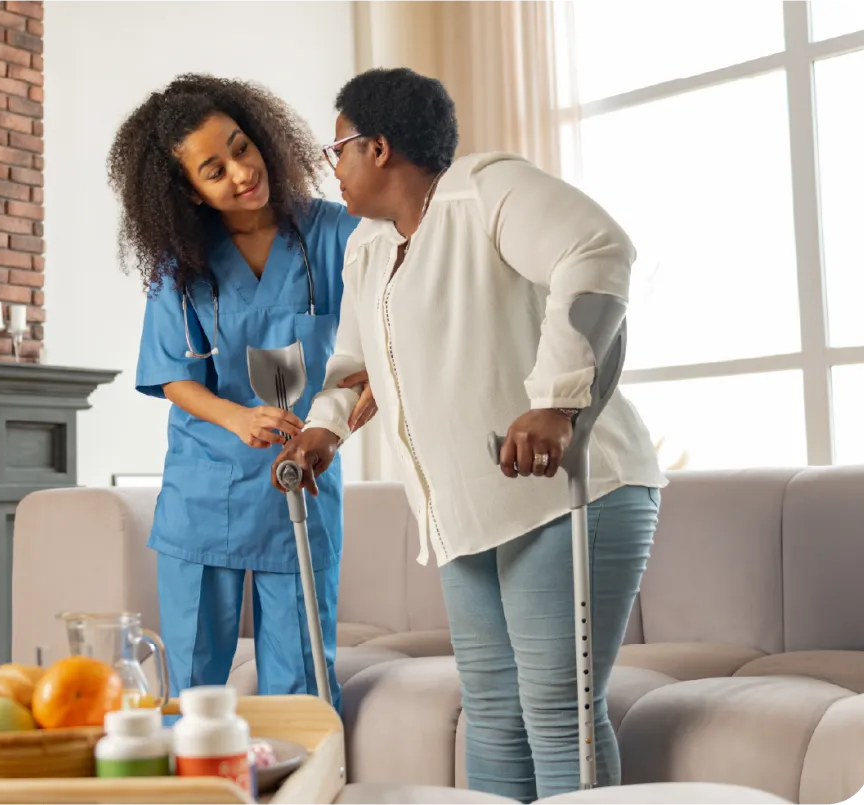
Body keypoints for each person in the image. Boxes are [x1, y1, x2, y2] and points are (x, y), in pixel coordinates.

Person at [273, 67, 668, 802]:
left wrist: (555, 402)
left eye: (340, 148)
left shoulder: (485, 189)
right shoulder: (367, 247)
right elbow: (354, 368)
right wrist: (323, 431)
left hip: (569, 493)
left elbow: (597, 247)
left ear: (380, 147)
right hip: (466, 513)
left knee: (556, 714)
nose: (334, 168)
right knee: (491, 715)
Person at [107, 74, 360, 708]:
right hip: (204, 487)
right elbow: (172, 375)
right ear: (189, 193)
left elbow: (376, 342)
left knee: (301, 687)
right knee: (192, 686)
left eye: (241, 148)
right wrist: (238, 419)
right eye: (214, 171)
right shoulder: (181, 263)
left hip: (297, 478)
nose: (241, 173)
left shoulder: (334, 234)